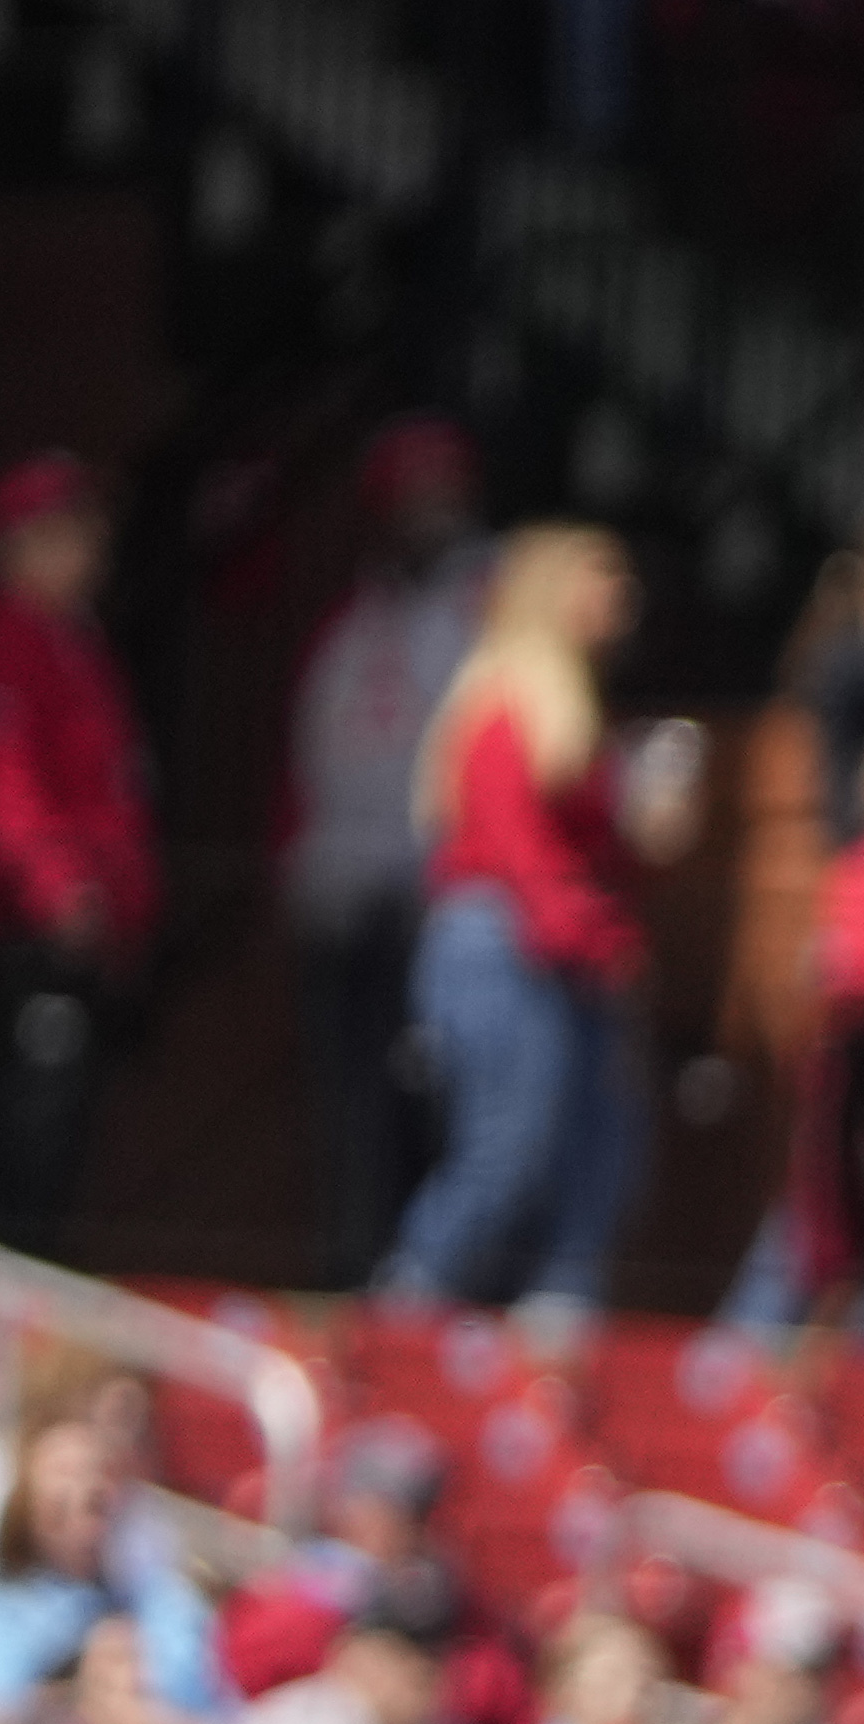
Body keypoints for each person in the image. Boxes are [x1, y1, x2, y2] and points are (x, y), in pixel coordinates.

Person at [377, 528, 690, 1320]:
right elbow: (518, 850)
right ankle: (403, 1308)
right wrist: (601, 938)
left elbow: (591, 857)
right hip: (505, 942)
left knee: (602, 1151)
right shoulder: (506, 700)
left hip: (565, 949)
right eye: (602, 578)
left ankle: (560, 1316)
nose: (622, 597)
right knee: (506, 1147)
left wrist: (645, 838)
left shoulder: (578, 705)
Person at [279, 422, 489, 1283]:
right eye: (409, 494)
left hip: (441, 905)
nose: (424, 510)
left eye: (440, 491)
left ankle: (426, 1292)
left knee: (443, 1109)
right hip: (348, 905)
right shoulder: (349, 624)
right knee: (356, 1109)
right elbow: (308, 761)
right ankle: (359, 1278)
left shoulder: (488, 605)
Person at [0, 458, 156, 1246]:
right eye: (68, 535)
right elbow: (3, 787)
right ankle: (4, 1272)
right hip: (28, 924)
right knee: (26, 1110)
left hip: (85, 921)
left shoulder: (76, 642)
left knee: (64, 1113)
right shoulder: (5, 638)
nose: (90, 552)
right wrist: (56, 885)